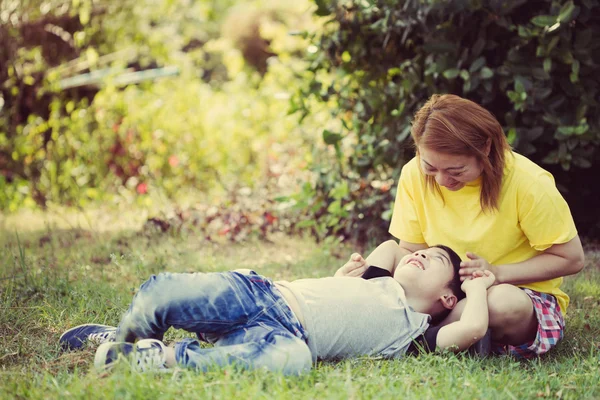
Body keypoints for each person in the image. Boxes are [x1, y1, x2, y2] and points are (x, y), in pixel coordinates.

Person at [335, 94, 585, 358]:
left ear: (485, 149)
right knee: (389, 250)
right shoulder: (413, 174)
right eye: (430, 167)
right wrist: (366, 277)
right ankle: (358, 304)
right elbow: (410, 250)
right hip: (446, 291)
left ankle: (417, 336)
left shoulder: (528, 182)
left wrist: (496, 273)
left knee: (501, 303)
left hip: (515, 291)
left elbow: (571, 259)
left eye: (456, 171)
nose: (442, 180)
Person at [59, 243, 495, 374]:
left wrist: (478, 286)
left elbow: (473, 328)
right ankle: (124, 336)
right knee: (163, 293)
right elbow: (393, 245)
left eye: (433, 260)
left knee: (295, 362)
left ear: (446, 299)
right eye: (422, 253)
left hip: (283, 336)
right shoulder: (378, 279)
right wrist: (350, 277)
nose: (419, 255)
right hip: (262, 294)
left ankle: (159, 358)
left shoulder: (417, 334)